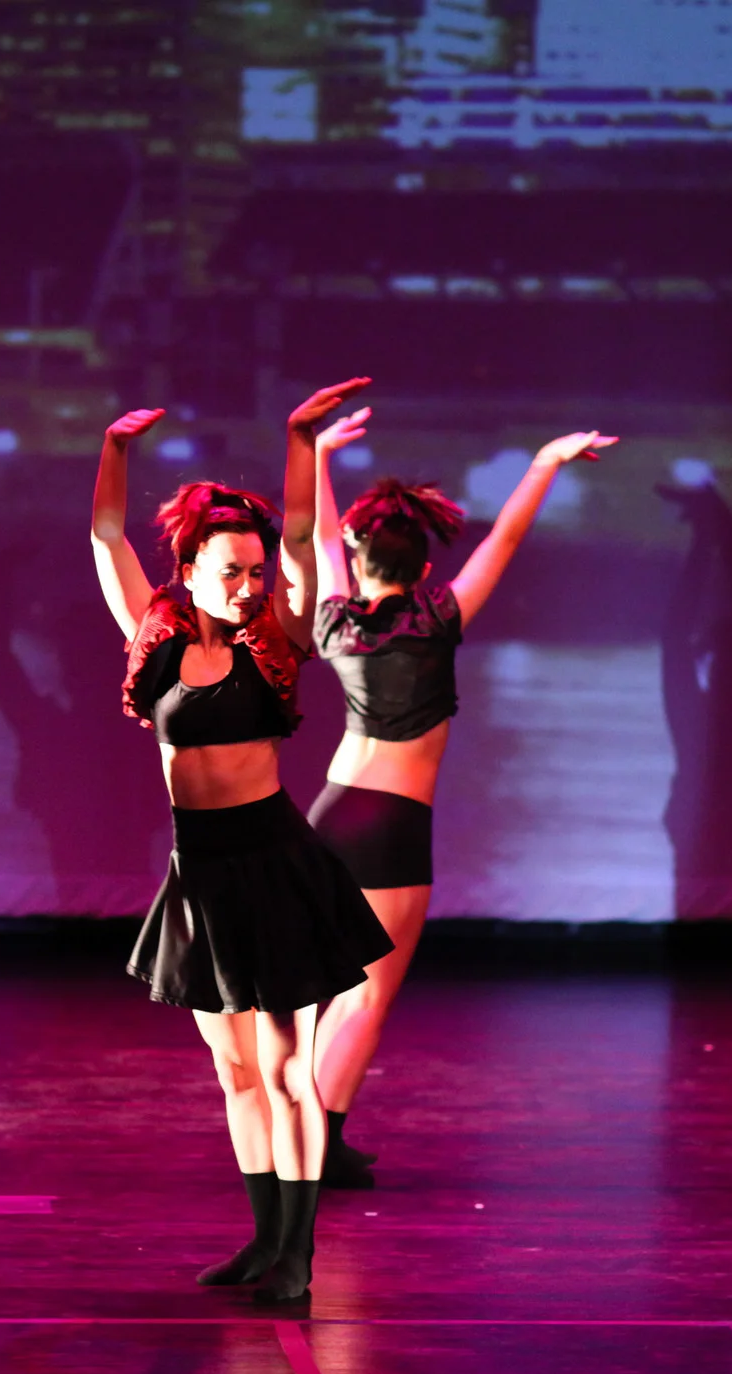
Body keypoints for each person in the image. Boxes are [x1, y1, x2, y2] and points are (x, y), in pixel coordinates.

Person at [90, 391, 393, 1303]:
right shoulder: (155, 637)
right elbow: (106, 534)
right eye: (231, 571)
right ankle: (263, 1241)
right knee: (236, 1073)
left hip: (273, 867)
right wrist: (114, 449)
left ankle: (298, 1254)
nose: (248, 584)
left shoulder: (278, 642)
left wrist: (298, 440)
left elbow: (299, 537)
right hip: (200, 876)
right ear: (189, 569)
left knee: (290, 1070)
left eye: (255, 571)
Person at [293, 398, 616, 1186]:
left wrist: (320, 458)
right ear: (424, 568)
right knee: (368, 996)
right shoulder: (439, 616)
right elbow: (504, 539)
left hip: (331, 812)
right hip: (393, 824)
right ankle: (315, 1144)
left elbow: (319, 540)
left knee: (335, 992)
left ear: (360, 559)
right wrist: (544, 463)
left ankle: (311, 1131)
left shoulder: (335, 621)